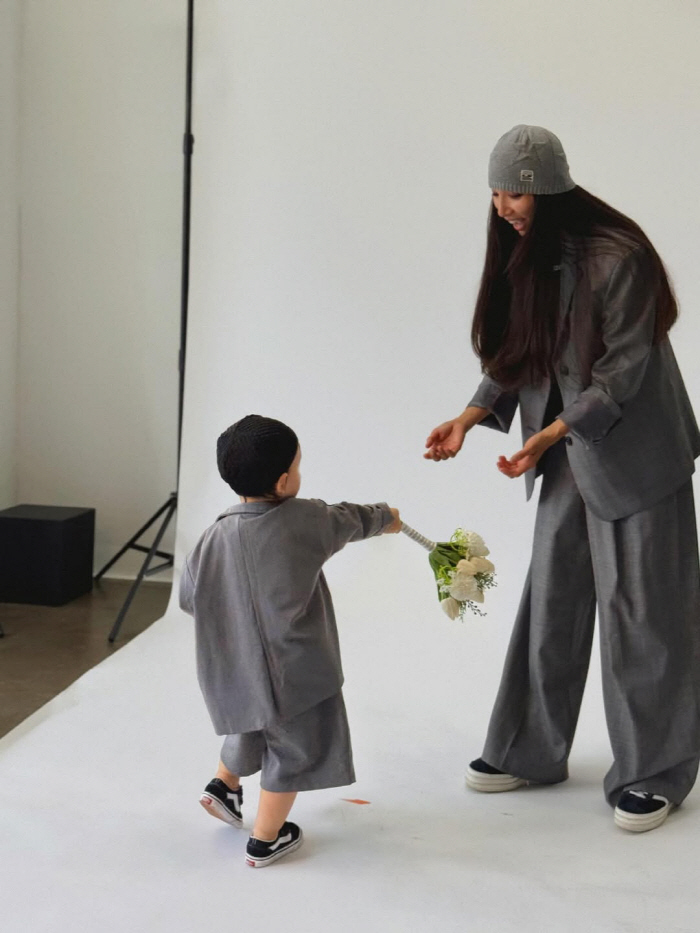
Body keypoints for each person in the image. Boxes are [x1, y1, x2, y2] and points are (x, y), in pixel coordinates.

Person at [425, 125, 700, 833]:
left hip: (636, 457)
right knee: (553, 596)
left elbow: (623, 372)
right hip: (571, 454)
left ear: (548, 187)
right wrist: (471, 413)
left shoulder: (620, 258)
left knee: (645, 616)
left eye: (513, 190)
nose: (502, 204)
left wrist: (548, 433)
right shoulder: (531, 253)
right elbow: (522, 347)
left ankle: (653, 771)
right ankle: (528, 749)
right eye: (494, 191)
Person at [179, 414, 401, 867]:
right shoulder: (305, 519)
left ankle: (225, 786)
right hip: (294, 670)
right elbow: (350, 519)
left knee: (249, 724)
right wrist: (387, 518)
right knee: (293, 750)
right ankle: (267, 837)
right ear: (284, 481)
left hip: (237, 667)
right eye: (298, 466)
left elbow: (189, 599)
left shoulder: (212, 535)